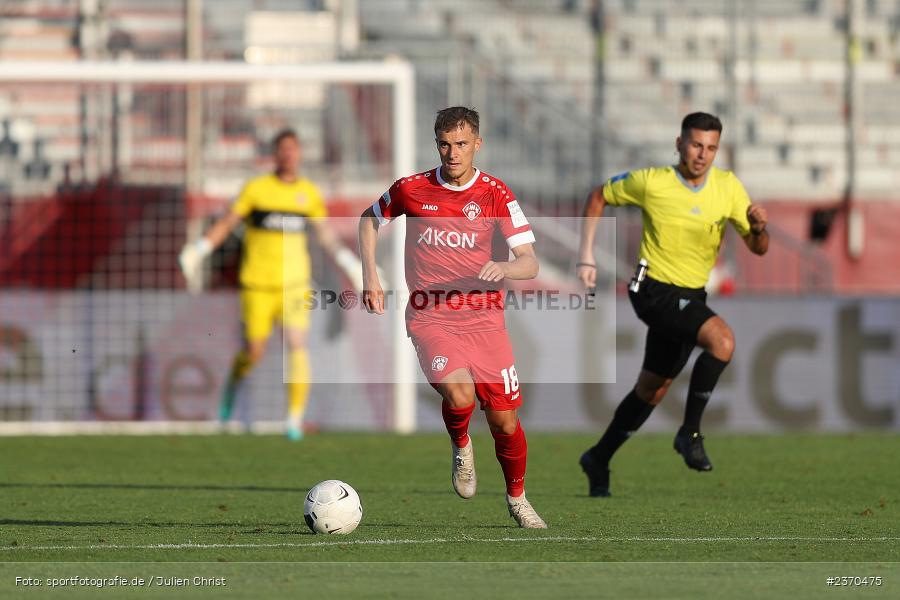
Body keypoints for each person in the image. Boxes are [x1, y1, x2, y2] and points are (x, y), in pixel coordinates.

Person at [358, 107, 547, 528]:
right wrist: (371, 273)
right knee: (459, 395)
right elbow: (369, 220)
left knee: (504, 420)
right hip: (432, 316)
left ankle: (517, 498)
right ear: (436, 144)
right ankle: (462, 446)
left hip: (485, 321)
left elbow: (530, 262)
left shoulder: (497, 195)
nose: (452, 153)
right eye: (444, 144)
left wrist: (506, 268)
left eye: (461, 144)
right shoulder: (412, 188)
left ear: (477, 144)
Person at [576, 112, 769, 497]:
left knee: (653, 389)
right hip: (652, 289)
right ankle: (689, 433)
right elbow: (599, 194)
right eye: (696, 144)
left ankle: (598, 457)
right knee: (722, 341)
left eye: (711, 147)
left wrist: (760, 228)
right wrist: (586, 254)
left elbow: (758, 248)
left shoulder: (728, 188)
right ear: (679, 143)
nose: (702, 154)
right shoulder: (653, 182)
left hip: (690, 296)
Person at [178, 128, 362, 440]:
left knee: (297, 344)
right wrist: (198, 250)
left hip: (294, 285)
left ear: (300, 154)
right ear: (275, 154)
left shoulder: (309, 194)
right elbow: (226, 223)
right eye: (283, 149)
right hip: (257, 284)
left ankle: (293, 420)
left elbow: (325, 236)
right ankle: (232, 387)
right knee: (254, 351)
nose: (289, 155)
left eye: (294, 149)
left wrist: (350, 263)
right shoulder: (256, 189)